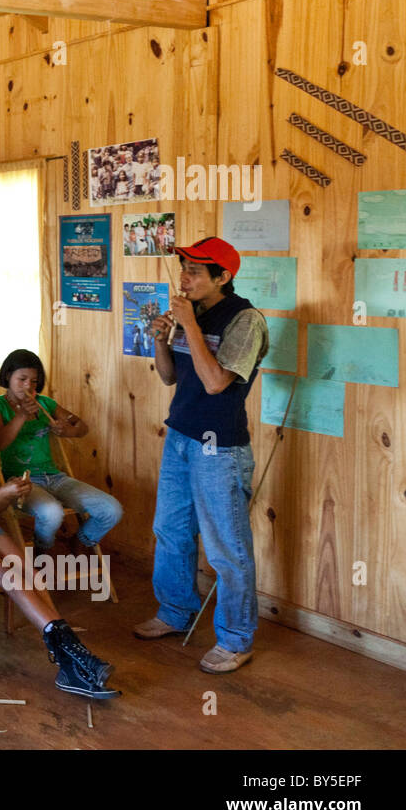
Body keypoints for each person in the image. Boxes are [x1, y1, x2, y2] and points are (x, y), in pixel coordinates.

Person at [0, 397, 119, 698]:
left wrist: (13, 492)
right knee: (11, 579)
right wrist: (0, 495)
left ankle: (67, 659)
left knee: (30, 573)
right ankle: (73, 656)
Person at [140, 237, 268, 674]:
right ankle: (175, 612)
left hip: (220, 447)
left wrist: (188, 325)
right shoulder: (191, 314)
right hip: (180, 436)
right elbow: (170, 377)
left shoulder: (245, 320)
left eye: (196, 270)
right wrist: (161, 339)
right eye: (184, 268)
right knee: (171, 529)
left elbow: (216, 382)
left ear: (224, 277)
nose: (185, 277)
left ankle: (235, 640)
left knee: (226, 548)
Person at [0, 350, 122, 556]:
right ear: (7, 377)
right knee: (52, 512)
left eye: (33, 381)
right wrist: (21, 416)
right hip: (20, 481)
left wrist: (68, 430)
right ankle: (43, 550)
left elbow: (81, 426)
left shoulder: (45, 403)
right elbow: (0, 443)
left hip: (55, 477)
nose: (28, 386)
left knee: (112, 509)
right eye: (22, 379)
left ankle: (81, 540)